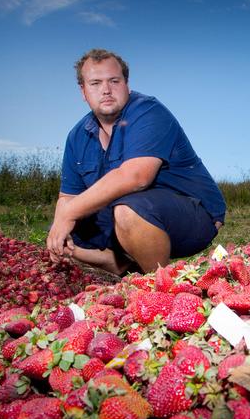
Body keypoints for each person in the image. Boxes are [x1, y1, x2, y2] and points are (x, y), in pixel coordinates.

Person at [46, 48, 226, 275]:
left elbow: (137, 177)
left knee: (128, 211)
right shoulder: (77, 135)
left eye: (114, 81)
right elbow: (68, 197)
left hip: (193, 215)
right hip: (132, 215)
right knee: (62, 236)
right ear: (83, 91)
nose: (106, 90)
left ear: (126, 84)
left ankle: (159, 286)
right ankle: (132, 273)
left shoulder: (148, 112)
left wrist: (69, 214)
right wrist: (61, 223)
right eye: (95, 83)